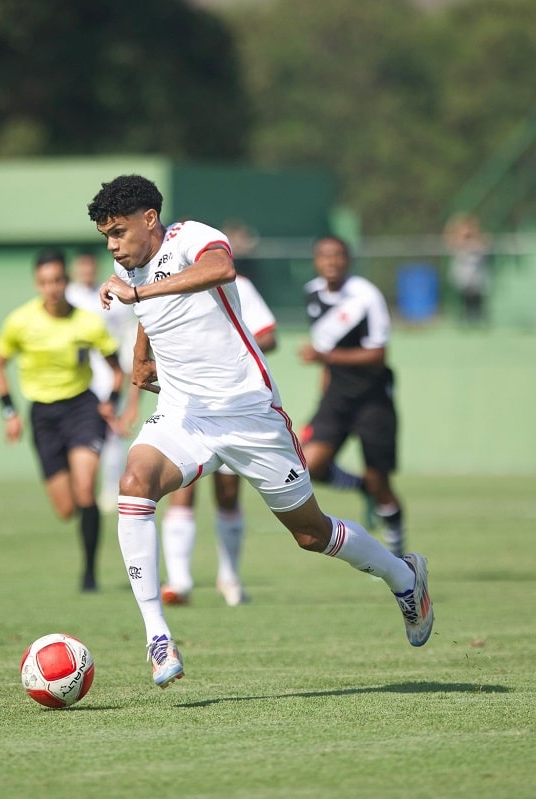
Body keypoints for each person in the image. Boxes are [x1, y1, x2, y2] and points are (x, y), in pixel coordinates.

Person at [88, 175, 433, 689]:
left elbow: (220, 268)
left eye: (118, 232)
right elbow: (150, 312)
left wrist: (138, 292)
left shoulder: (191, 238)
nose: (113, 246)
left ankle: (403, 578)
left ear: (150, 219)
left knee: (311, 534)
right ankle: (157, 636)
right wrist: (141, 358)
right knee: (134, 485)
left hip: (250, 414)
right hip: (187, 413)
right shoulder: (129, 265)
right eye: (106, 237)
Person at [0, 247, 124, 592]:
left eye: (58, 280)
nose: (52, 288)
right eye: (45, 282)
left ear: (67, 280)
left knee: (85, 487)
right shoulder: (20, 321)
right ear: (38, 283)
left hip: (82, 409)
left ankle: (89, 574)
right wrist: (9, 412)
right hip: (43, 416)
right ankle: (84, 518)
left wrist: (111, 402)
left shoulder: (88, 322)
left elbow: (116, 370)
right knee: (67, 508)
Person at [159, 273, 277, 608]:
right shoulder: (169, 284)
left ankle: (229, 578)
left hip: (232, 407)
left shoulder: (239, 284)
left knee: (227, 495)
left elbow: (269, 335)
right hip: (186, 407)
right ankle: (179, 583)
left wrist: (228, 346)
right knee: (181, 486)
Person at [299, 235, 407, 558]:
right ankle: (362, 488)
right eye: (324, 256)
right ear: (316, 261)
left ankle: (398, 555)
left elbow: (378, 355)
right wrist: (324, 393)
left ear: (348, 260)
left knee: (382, 482)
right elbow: (324, 347)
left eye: (338, 256)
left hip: (373, 399)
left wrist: (326, 359)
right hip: (336, 398)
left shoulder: (366, 297)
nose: (331, 261)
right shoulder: (312, 294)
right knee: (310, 466)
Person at [65, 249, 141, 511]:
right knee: (76, 434)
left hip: (109, 375)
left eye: (89, 266)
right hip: (76, 377)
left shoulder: (113, 298)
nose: (86, 271)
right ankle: (80, 490)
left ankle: (110, 491)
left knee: (111, 433)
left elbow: (128, 336)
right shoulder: (68, 297)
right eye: (81, 266)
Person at [443, 213, 492, 325]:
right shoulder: (456, 241)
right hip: (463, 276)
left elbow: (485, 245)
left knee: (478, 299)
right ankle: (465, 321)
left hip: (476, 275)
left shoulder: (480, 239)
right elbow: (450, 243)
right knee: (465, 300)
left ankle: (479, 321)